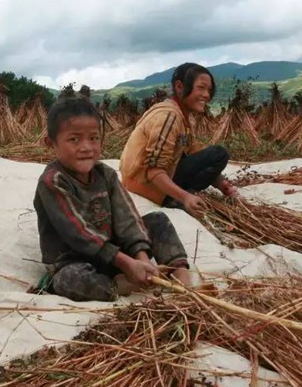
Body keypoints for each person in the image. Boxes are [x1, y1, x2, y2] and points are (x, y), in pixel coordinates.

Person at [34, 96, 193, 302]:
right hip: (75, 258)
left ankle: (179, 274)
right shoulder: (53, 181)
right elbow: (79, 234)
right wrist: (126, 263)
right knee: (68, 280)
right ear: (50, 143)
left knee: (157, 220)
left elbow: (127, 216)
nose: (86, 147)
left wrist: (141, 257)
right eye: (74, 139)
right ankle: (120, 284)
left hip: (116, 250)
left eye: (94, 138)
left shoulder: (105, 175)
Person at [119, 63, 237, 218]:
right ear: (180, 87)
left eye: (209, 90)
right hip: (147, 185)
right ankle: (171, 197)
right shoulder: (169, 116)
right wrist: (185, 197)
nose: (207, 95)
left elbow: (193, 152)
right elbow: (154, 170)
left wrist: (221, 184)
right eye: (201, 88)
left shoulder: (182, 118)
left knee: (210, 155)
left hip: (145, 181)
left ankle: (175, 193)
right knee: (219, 154)